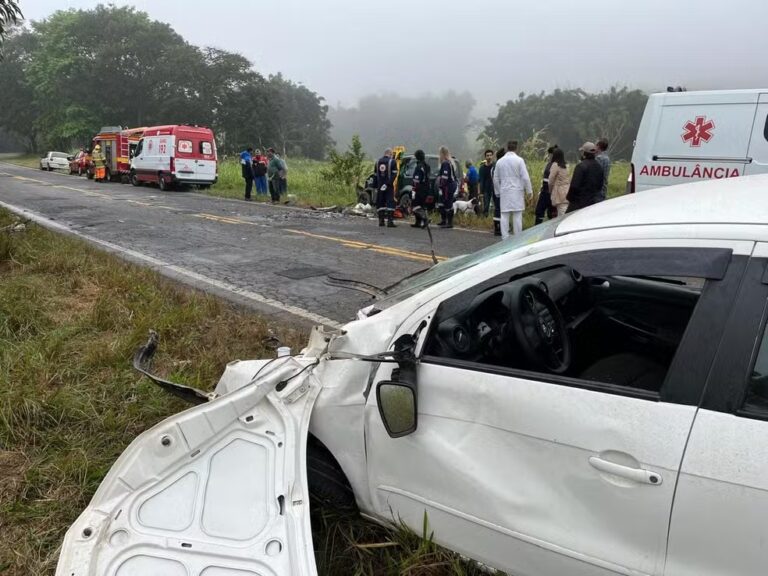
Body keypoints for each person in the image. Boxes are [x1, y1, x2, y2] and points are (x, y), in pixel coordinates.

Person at [493, 140, 533, 239]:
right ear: (516, 148)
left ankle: (505, 238)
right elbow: (525, 177)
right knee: (517, 215)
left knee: (504, 215)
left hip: (504, 191)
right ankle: (517, 238)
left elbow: (495, 178)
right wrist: (529, 191)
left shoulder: (500, 161)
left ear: (507, 148)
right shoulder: (519, 160)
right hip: (517, 191)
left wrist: (498, 192)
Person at [566, 142, 604, 213]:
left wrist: (570, 198)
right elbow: (600, 186)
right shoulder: (599, 167)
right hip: (592, 202)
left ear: (584, 153)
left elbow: (574, 186)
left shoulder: (581, 166)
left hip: (578, 203)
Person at [534, 145, 559, 225]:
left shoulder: (558, 165)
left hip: (552, 192)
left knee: (551, 213)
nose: (549, 156)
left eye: (550, 154)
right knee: (539, 211)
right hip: (545, 191)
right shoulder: (549, 164)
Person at [373, 148, 398, 227]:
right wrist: (387, 184)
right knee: (390, 202)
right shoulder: (393, 162)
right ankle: (390, 222)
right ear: (390, 154)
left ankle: (381, 221)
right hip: (388, 186)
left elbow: (375, 175)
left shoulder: (377, 162)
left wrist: (375, 186)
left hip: (380, 186)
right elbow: (394, 175)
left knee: (380, 202)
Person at [410, 149, 431, 228]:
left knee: (415, 205)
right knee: (421, 205)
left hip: (419, 188)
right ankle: (418, 222)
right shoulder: (427, 166)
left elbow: (416, 180)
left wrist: (414, 190)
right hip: (426, 188)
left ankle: (425, 219)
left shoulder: (419, 167)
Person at [436, 146, 457, 228]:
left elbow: (445, 177)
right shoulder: (448, 162)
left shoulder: (445, 163)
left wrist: (441, 186)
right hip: (447, 186)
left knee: (448, 203)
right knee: (441, 203)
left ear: (442, 154)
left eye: (440, 154)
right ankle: (443, 220)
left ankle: (449, 222)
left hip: (448, 186)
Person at [547, 147, 570, 216]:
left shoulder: (555, 165)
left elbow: (550, 181)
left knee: (561, 213)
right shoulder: (566, 165)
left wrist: (550, 191)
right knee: (565, 211)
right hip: (567, 190)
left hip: (559, 192)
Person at [491, 148, 506, 235]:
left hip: (496, 189)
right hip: (499, 190)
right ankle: (498, 228)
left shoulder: (495, 165)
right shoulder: (499, 165)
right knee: (500, 209)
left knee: (497, 209)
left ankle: (497, 227)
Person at [478, 149, 495, 217]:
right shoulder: (482, 168)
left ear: (493, 156)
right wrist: (479, 192)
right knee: (486, 205)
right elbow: (479, 180)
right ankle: (485, 218)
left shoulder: (495, 166)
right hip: (485, 189)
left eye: (490, 155)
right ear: (485, 157)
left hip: (494, 189)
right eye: (487, 155)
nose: (489, 157)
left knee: (495, 206)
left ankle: (494, 218)